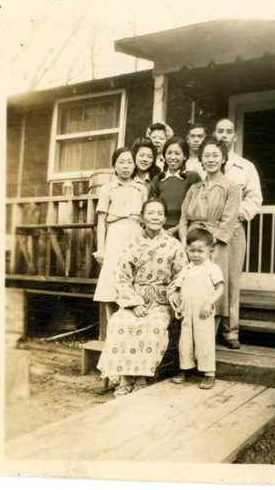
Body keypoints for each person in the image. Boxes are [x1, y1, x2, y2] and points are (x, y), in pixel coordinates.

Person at [97, 198, 188, 396]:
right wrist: (133, 303)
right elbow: (121, 277)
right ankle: (124, 378)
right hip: (134, 298)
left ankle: (141, 377)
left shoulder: (173, 245)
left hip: (161, 301)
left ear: (164, 218)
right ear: (142, 218)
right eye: (150, 213)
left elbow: (181, 276)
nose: (155, 217)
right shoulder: (132, 245)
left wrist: (171, 296)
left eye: (159, 213)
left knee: (152, 326)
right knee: (120, 323)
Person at [179, 137, 241, 342]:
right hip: (193, 244)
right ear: (201, 159)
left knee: (215, 285)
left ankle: (212, 337)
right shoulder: (195, 188)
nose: (211, 159)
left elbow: (229, 220)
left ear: (223, 158)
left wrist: (208, 244)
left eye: (216, 155)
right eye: (207, 155)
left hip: (215, 244)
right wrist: (184, 241)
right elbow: (184, 218)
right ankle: (191, 336)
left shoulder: (232, 187)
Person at [213, 118, 263, 349]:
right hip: (206, 230)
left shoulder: (245, 166)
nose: (224, 135)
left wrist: (234, 215)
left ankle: (230, 332)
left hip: (233, 230)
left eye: (229, 132)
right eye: (220, 131)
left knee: (231, 280)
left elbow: (254, 198)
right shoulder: (204, 163)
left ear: (235, 137)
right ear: (214, 134)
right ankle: (207, 330)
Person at [93, 147, 148, 324]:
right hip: (115, 236)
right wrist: (101, 247)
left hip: (135, 234)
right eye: (121, 162)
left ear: (134, 165)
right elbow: (101, 220)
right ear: (114, 165)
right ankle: (112, 327)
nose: (125, 166)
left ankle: (131, 326)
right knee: (112, 279)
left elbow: (145, 219)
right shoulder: (107, 189)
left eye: (129, 162)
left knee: (133, 278)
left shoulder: (141, 189)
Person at [168, 228, 224, 390]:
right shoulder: (186, 269)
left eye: (200, 251)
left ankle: (208, 373)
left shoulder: (212, 268)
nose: (196, 255)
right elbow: (178, 289)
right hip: (186, 311)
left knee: (204, 340)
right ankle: (186, 369)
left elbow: (220, 289)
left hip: (203, 312)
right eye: (192, 251)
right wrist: (178, 306)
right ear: (186, 250)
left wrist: (209, 303)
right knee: (185, 341)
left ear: (210, 250)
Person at [149, 137, 201, 235]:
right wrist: (161, 230)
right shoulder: (158, 179)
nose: (173, 157)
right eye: (169, 153)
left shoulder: (193, 177)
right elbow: (151, 207)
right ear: (164, 155)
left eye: (177, 153)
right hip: (159, 231)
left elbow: (196, 208)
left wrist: (177, 229)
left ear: (185, 156)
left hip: (186, 231)